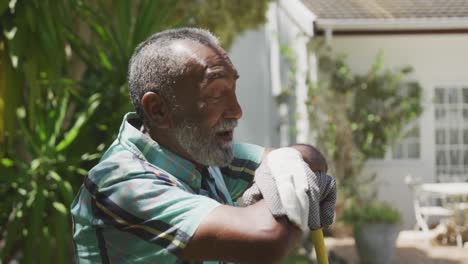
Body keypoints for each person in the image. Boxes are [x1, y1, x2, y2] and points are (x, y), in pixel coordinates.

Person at [71, 27, 335, 263]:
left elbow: (311, 159)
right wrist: (297, 183)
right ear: (158, 109)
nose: (237, 110)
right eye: (216, 94)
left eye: (234, 89)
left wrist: (285, 163)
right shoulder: (120, 185)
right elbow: (267, 239)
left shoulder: (198, 155)